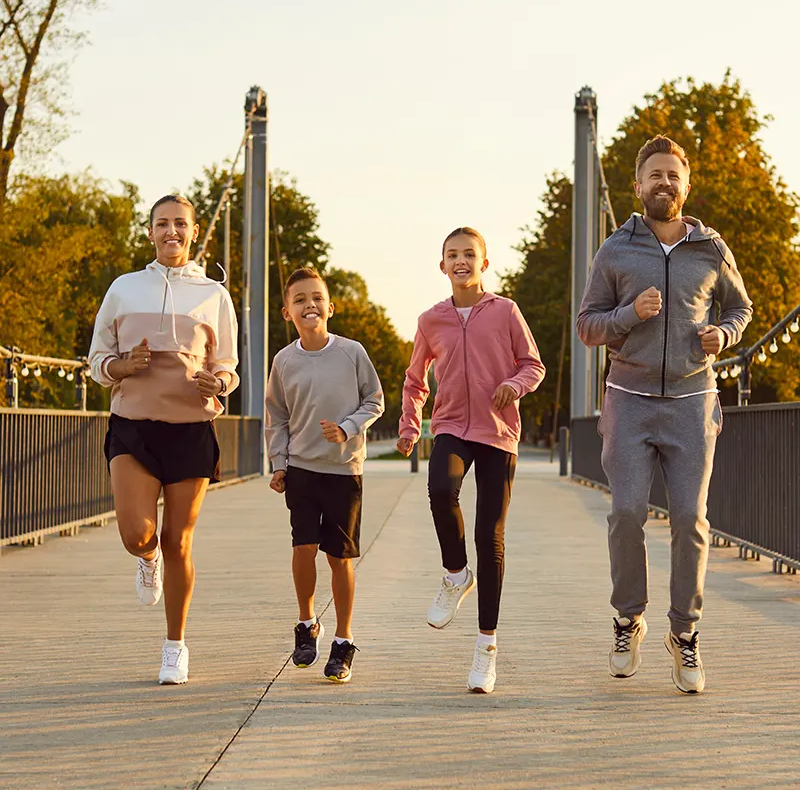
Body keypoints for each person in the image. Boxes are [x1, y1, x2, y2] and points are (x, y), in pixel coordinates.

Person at [577, 136, 752, 694]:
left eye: (673, 176)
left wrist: (722, 333)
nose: (664, 184)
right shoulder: (614, 249)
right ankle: (629, 619)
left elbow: (740, 307)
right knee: (626, 513)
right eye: (654, 175)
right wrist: (629, 314)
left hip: (692, 402)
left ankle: (685, 633)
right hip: (627, 402)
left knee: (690, 521)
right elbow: (587, 326)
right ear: (637, 186)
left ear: (686, 184)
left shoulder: (711, 249)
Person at [89, 194, 238, 685]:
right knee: (138, 534)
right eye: (161, 224)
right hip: (133, 423)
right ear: (149, 232)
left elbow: (229, 367)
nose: (171, 231)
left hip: (192, 429)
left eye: (179, 223)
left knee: (180, 541)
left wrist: (218, 384)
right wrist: (120, 367)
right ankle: (145, 560)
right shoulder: (123, 288)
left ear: (194, 231)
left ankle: (175, 646)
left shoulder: (213, 294)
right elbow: (96, 360)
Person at [397, 227, 545, 694]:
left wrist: (514, 386)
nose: (460, 261)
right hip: (451, 427)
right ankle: (456, 574)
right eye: (451, 255)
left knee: (491, 535)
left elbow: (533, 364)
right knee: (440, 488)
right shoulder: (430, 320)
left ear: (484, 262)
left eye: (469, 254)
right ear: (442, 265)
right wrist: (408, 425)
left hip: (497, 431)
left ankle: (486, 649)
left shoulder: (506, 312)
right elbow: (416, 378)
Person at [266, 267, 384, 684]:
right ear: (287, 313)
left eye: (316, 298)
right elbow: (276, 417)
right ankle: (306, 623)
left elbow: (375, 400)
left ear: (330, 307)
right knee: (303, 548)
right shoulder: (283, 361)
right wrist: (278, 463)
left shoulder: (352, 353)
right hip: (300, 469)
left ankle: (343, 641)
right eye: (299, 300)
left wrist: (348, 428)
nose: (309, 305)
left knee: (340, 557)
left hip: (343, 471)